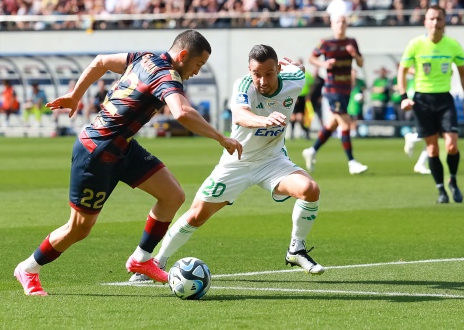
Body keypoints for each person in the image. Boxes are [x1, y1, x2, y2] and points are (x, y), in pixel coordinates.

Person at [13, 30, 243, 296]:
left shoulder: (143, 58)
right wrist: (220, 138)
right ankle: (28, 268)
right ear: (182, 56)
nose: (196, 72)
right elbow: (182, 112)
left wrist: (76, 95)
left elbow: (100, 61)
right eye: (198, 64)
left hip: (123, 147)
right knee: (79, 228)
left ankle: (142, 259)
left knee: (172, 195)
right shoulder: (167, 75)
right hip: (96, 152)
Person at [129, 45, 324, 282]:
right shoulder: (244, 85)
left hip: (272, 160)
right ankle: (156, 261)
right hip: (237, 162)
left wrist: (297, 66)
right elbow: (240, 115)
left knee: (310, 190)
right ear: (250, 71)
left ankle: (296, 249)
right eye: (256, 73)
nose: (262, 80)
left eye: (269, 74)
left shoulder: (294, 79)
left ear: (279, 69)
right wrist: (264, 120)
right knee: (197, 215)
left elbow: (299, 70)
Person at [398, 5, 464, 204]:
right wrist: (404, 96)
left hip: (444, 99)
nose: (435, 23)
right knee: (432, 150)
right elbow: (402, 71)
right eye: (431, 19)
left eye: (438, 19)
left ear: (444, 22)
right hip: (422, 100)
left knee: (451, 145)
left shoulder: (453, 45)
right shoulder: (415, 45)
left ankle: (453, 181)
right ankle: (441, 190)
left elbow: (463, 73)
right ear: (425, 22)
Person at [302, 13, 368, 175]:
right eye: (338, 22)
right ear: (332, 24)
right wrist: (324, 63)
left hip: (346, 89)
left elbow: (360, 63)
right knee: (345, 123)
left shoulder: (351, 42)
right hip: (332, 89)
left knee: (332, 124)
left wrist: (355, 54)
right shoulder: (326, 42)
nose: (341, 24)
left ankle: (312, 150)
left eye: (343, 22)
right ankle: (352, 162)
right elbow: (312, 58)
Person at [290, 58, 313, 140]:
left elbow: (311, 85)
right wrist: (294, 96)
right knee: (293, 117)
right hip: (295, 97)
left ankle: (306, 132)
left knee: (300, 117)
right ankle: (292, 134)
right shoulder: (293, 74)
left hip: (303, 98)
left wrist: (309, 95)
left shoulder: (307, 75)